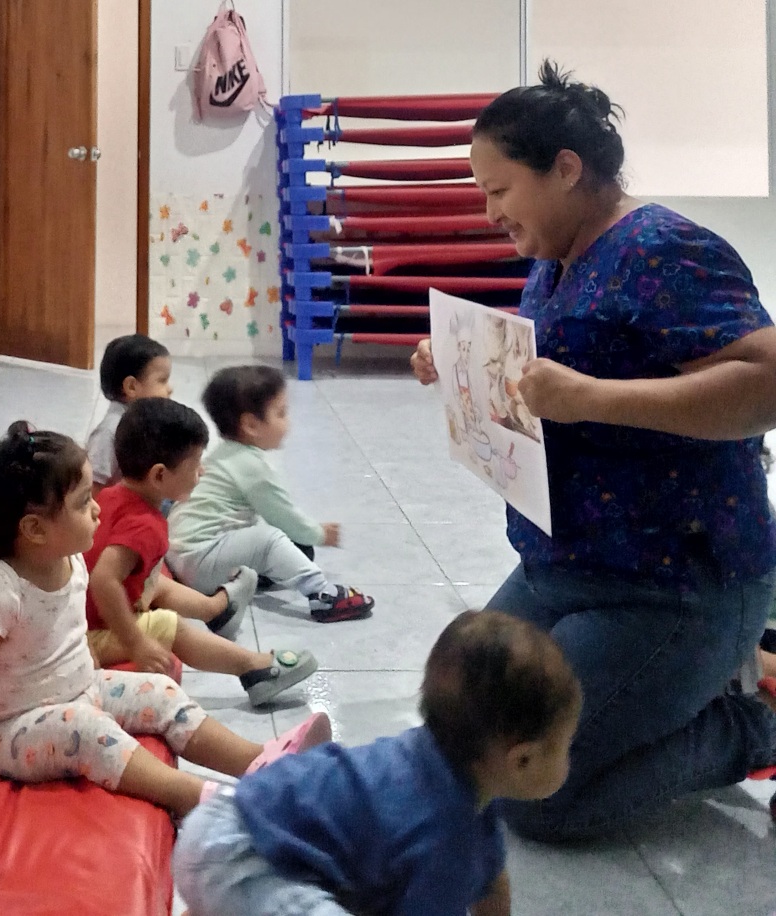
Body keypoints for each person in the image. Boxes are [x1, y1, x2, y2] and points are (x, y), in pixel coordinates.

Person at [411, 61, 776, 838]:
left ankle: (750, 725)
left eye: (499, 190)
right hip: (564, 561)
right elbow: (557, 367)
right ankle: (703, 680)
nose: (489, 212)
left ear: (566, 170)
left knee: (536, 792)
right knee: (461, 731)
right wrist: (463, 362)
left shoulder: (663, 249)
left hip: (671, 580)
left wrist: (594, 398)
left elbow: (766, 382)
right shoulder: (557, 258)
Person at [0, 423, 332, 815]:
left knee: (161, 690)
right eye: (83, 502)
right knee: (87, 731)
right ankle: (208, 800)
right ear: (35, 530)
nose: (98, 510)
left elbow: (68, 633)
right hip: (10, 730)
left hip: (81, 689)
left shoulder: (72, 561)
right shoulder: (0, 593)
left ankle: (259, 762)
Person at [174, 610, 582, 916]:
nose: (570, 756)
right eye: (566, 745)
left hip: (244, 827)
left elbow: (492, 884)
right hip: (237, 857)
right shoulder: (443, 839)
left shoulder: (455, 772)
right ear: (522, 759)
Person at [86, 398, 318, 707]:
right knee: (169, 625)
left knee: (154, 579)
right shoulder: (144, 525)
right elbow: (104, 580)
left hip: (90, 614)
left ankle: (215, 610)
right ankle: (254, 670)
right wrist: (136, 642)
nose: (202, 471)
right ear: (159, 476)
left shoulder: (114, 494)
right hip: (92, 634)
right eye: (195, 465)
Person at [167, 365, 374, 623]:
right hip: (199, 562)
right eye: (281, 413)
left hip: (184, 556)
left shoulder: (226, 454)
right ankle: (322, 594)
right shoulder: (253, 467)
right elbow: (284, 516)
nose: (288, 422)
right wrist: (319, 534)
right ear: (251, 425)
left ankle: (255, 571)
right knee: (268, 538)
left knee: (283, 542)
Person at [88, 334, 172, 497]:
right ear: (131, 387)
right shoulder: (110, 432)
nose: (170, 388)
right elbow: (92, 489)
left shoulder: (144, 420)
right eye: (162, 381)